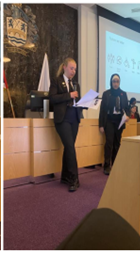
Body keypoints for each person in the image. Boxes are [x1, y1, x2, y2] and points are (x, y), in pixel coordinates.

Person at [49, 58, 82, 192]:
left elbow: (77, 101)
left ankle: (65, 177)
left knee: (69, 148)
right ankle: (74, 179)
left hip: (74, 118)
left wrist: (85, 104)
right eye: (71, 68)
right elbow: (52, 98)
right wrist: (69, 95)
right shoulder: (56, 81)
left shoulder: (76, 84)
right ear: (64, 67)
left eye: (75, 69)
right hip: (62, 120)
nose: (73, 71)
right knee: (70, 147)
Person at [99, 73, 130, 175]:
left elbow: (127, 108)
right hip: (109, 121)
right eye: (114, 81)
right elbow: (102, 110)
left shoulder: (123, 94)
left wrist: (128, 115)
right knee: (109, 143)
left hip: (119, 122)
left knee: (117, 144)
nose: (115, 83)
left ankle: (115, 164)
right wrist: (101, 125)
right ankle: (107, 165)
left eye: (117, 81)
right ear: (111, 82)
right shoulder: (106, 94)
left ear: (119, 82)